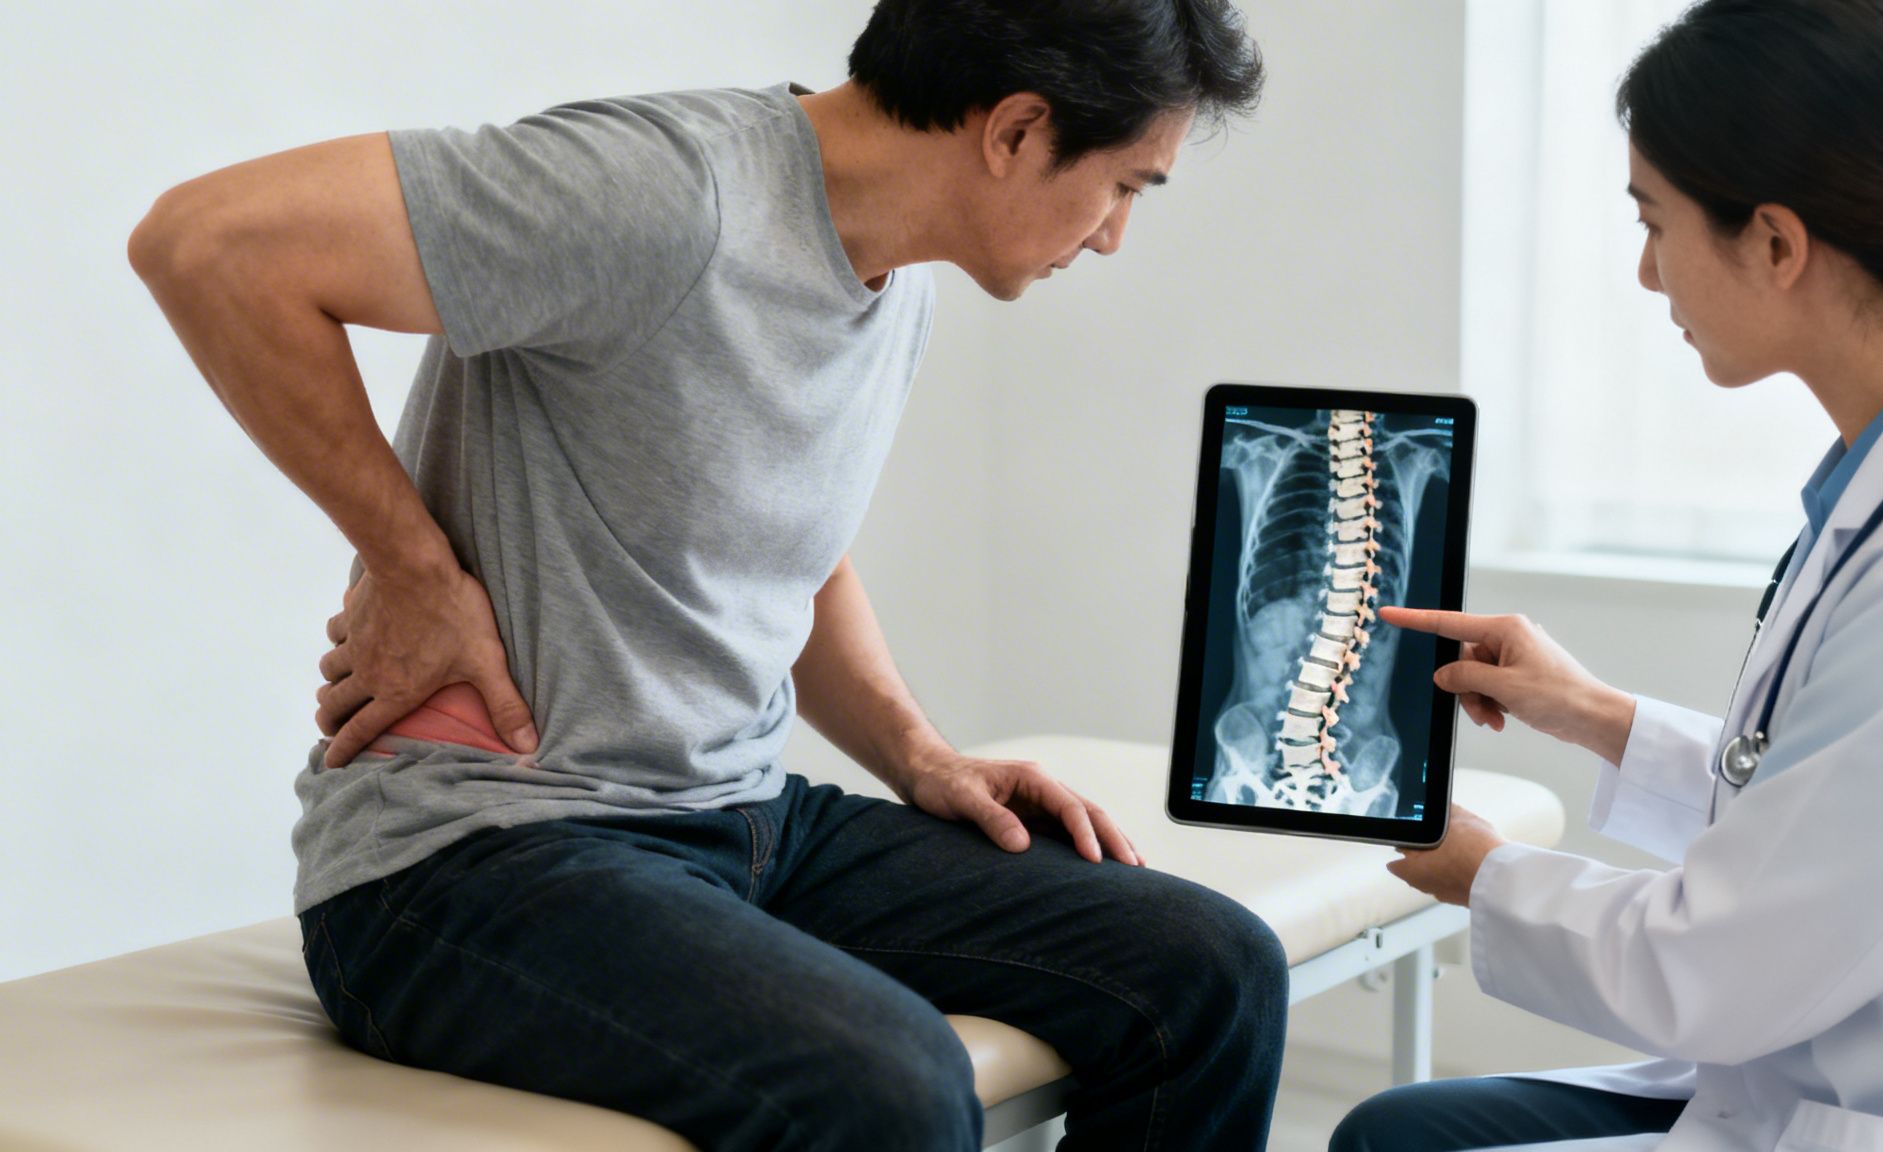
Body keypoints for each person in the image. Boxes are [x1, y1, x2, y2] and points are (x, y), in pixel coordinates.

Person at [127, 3, 1287, 1149]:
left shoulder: (895, 281)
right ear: (1016, 130)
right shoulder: (665, 189)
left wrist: (918, 756)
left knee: (1209, 972)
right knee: (890, 1088)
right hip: (474, 855)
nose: (1112, 235)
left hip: (740, 824)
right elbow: (208, 244)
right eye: (1125, 186)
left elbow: (792, 558)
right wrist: (413, 567)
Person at [1330, 1, 1883, 1149]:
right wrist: (1594, 714)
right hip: (1803, 1059)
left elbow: (1720, 965)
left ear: (1772, 243)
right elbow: (1828, 818)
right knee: (1406, 1129)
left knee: (1391, 1141)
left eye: (1652, 222)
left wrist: (1484, 872)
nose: (1643, 271)